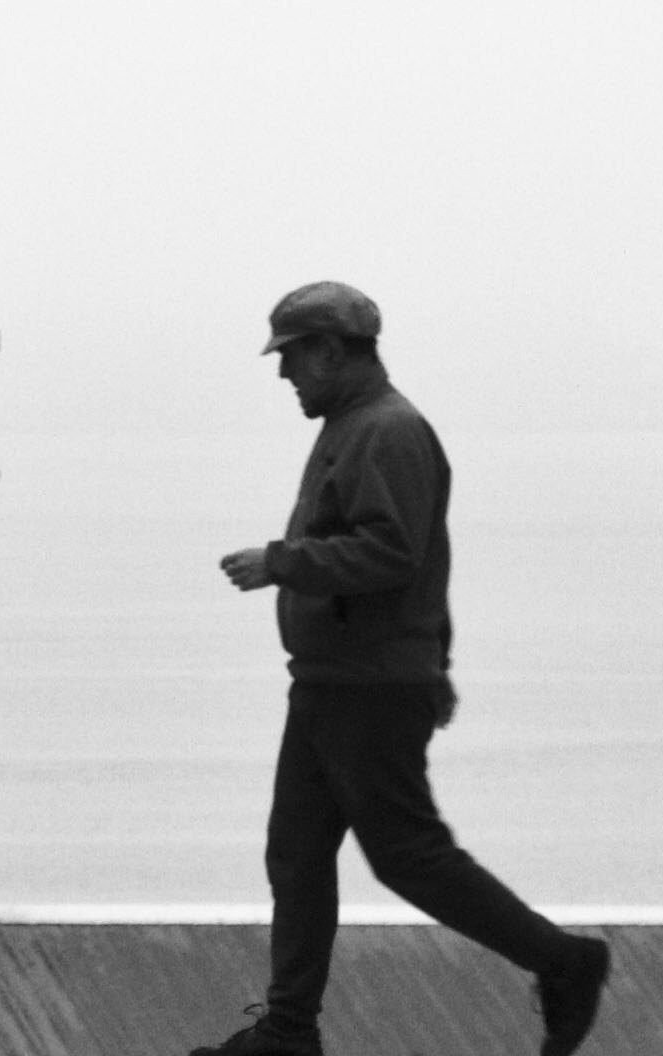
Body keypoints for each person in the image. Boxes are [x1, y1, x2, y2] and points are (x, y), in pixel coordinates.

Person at [203, 281, 607, 1056]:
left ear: (330, 350)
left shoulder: (387, 431)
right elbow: (430, 563)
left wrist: (280, 563)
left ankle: (565, 962)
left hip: (369, 688)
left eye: (291, 357)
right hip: (331, 682)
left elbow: (394, 552)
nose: (284, 375)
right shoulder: (354, 425)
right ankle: (288, 1031)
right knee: (295, 854)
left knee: (408, 857)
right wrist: (437, 657)